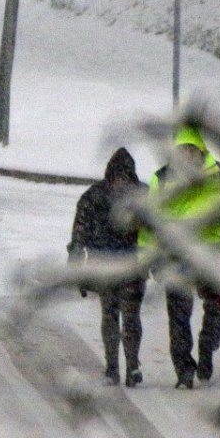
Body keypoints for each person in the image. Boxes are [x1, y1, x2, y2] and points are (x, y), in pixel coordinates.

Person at [139, 125, 220, 389]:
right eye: (182, 150)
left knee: (219, 308)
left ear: (201, 151)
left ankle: (207, 348)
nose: (187, 155)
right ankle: (184, 371)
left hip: (212, 253)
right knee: (178, 315)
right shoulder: (162, 179)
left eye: (191, 150)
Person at [68, 147, 146, 387]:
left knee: (121, 317)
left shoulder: (94, 196)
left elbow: (80, 232)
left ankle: (125, 366)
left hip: (120, 265)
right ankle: (120, 366)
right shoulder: (142, 196)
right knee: (117, 317)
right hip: (121, 265)